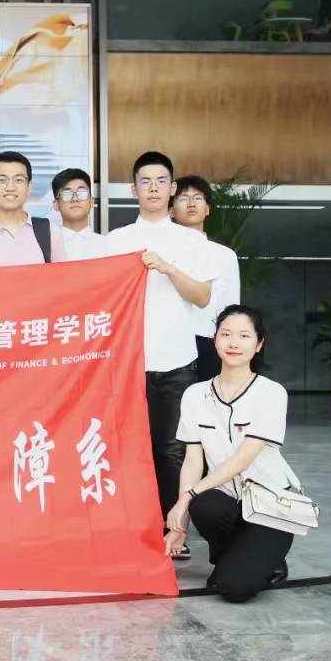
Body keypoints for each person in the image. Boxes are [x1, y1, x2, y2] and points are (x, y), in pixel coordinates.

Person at [105, 151, 219, 560]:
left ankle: (174, 531)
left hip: (176, 361)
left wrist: (169, 269)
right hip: (127, 361)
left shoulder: (192, 241)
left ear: (172, 188)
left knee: (173, 451)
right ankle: (132, 528)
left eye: (160, 181)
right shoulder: (115, 240)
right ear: (132, 189)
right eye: (145, 181)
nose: (152, 188)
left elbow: (202, 297)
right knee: (127, 449)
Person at [165, 305, 294, 602]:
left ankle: (269, 559)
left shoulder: (271, 393)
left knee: (235, 590)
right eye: (226, 334)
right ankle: (230, 559)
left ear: (259, 344)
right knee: (204, 505)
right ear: (215, 341)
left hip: (269, 504)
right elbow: (193, 460)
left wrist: (186, 496)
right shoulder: (195, 395)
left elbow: (243, 460)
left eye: (244, 336)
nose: (233, 342)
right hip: (225, 499)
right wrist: (181, 522)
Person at [171, 175, 241, 381]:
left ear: (208, 209)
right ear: (171, 210)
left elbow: (231, 304)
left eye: (198, 198)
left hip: (210, 340)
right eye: (183, 198)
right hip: (171, 341)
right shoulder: (163, 252)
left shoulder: (225, 255)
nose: (191, 203)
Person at [51, 167, 110, 261]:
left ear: (91, 201)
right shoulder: (47, 248)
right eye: (67, 194)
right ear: (56, 204)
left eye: (81, 193)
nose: (75, 199)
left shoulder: (108, 246)